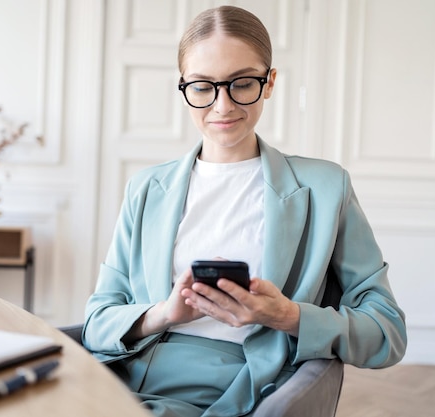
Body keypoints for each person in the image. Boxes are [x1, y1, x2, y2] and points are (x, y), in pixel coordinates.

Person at [83, 5, 407, 417]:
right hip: (120, 381)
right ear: (182, 87)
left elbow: (388, 334)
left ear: (269, 83)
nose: (222, 105)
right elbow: (97, 323)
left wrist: (286, 316)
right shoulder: (147, 188)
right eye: (203, 86)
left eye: (242, 83)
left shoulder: (325, 188)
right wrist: (165, 312)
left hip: (236, 391)